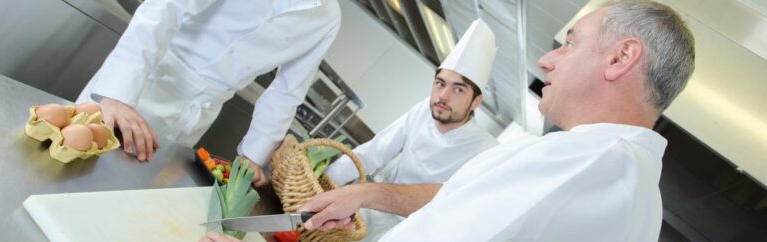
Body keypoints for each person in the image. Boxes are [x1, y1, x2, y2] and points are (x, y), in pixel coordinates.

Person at [293, 1, 696, 241]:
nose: (546, 60)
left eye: (570, 43)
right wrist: (367, 193)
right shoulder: (631, 183)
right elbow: (460, 196)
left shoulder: (585, 163)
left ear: (620, 58)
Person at [77, 0, 341, 186]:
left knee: (128, 190)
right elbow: (167, 7)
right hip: (144, 85)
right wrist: (118, 95)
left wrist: (252, 156)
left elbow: (287, 91)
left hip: (198, 113)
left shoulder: (328, 18)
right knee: (76, 165)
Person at [323, 19, 499, 241]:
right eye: (440, 83)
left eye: (458, 89)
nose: (443, 96)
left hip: (413, 233)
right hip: (372, 208)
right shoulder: (424, 110)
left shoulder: (486, 150)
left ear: (476, 102)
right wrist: (326, 182)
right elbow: (375, 151)